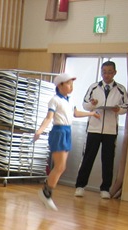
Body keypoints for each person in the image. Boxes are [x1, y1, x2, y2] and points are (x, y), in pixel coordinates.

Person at [33, 72, 100, 211]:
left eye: (72, 84)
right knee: (60, 166)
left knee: (61, 167)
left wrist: (91, 113)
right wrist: (39, 131)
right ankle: (46, 193)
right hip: (59, 132)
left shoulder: (69, 100)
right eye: (69, 84)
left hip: (67, 131)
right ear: (60, 85)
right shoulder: (54, 100)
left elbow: (75, 113)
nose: (71, 86)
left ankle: (46, 191)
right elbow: (49, 118)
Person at [74, 61, 128, 199]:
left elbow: (126, 107)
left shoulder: (120, 89)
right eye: (104, 72)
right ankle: (80, 186)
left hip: (110, 130)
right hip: (94, 128)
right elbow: (85, 105)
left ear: (115, 73)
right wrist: (92, 104)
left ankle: (105, 188)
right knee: (88, 158)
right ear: (101, 72)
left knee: (108, 160)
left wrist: (118, 109)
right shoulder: (94, 87)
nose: (106, 75)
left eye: (109, 72)